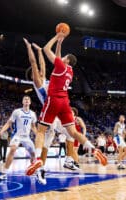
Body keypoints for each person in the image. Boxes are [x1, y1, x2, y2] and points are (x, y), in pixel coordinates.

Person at [26, 32, 107, 176]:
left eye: (64, 57)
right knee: (73, 133)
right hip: (65, 102)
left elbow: (46, 50)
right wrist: (60, 44)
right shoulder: (70, 70)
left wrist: (56, 37)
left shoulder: (60, 67)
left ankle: (38, 160)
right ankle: (93, 149)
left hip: (52, 102)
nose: (61, 57)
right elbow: (51, 60)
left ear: (67, 60)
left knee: (41, 132)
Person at [23, 38, 78, 185]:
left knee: (70, 133)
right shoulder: (38, 82)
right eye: (39, 71)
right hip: (50, 113)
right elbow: (35, 64)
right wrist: (29, 47)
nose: (41, 71)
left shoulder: (47, 78)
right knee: (46, 141)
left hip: (56, 111)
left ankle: (68, 160)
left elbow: (42, 64)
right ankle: (40, 168)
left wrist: (40, 51)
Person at [0, 96, 37, 180]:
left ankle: (33, 170)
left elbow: (33, 127)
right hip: (17, 135)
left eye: (28, 99)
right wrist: (1, 131)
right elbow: (8, 123)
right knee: (13, 149)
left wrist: (39, 136)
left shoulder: (32, 114)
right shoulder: (17, 112)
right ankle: (4, 173)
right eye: (25, 99)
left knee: (33, 154)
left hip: (27, 137)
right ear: (22, 102)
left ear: (30, 102)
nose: (26, 100)